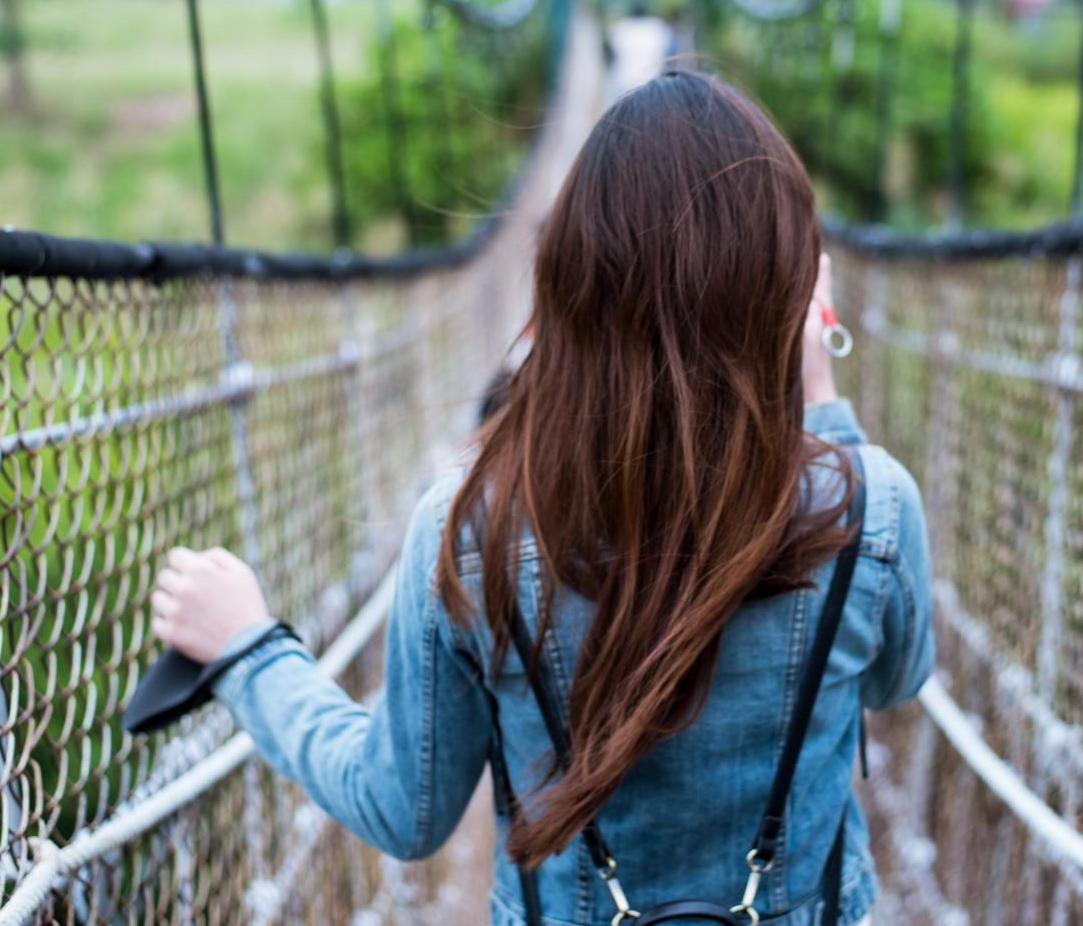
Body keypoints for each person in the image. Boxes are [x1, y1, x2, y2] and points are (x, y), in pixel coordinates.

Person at [149, 69, 934, 926]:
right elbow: (893, 680)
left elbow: (403, 812)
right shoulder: (875, 508)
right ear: (789, 291)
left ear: (567, 281)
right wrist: (820, 407)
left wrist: (248, 652)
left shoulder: (467, 527)